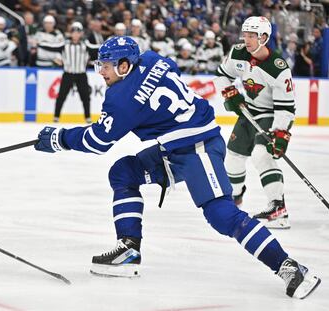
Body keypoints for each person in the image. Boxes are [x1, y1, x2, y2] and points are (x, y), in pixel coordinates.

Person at [34, 36, 320, 299]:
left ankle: (289, 267)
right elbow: (165, 80)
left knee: (221, 214)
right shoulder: (154, 59)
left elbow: (98, 140)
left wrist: (60, 139)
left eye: (106, 66)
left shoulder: (121, 99)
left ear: (124, 66)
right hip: (175, 147)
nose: (101, 72)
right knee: (123, 172)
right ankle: (129, 250)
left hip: (199, 146)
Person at [213, 16, 295, 229]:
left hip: (271, 113)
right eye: (245, 34)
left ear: (264, 37)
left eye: (252, 36)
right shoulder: (238, 52)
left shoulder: (278, 68)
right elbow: (222, 75)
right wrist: (229, 92)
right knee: (233, 157)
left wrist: (280, 133)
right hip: (248, 113)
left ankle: (278, 207)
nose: (246, 39)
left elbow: (286, 108)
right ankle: (235, 198)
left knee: (261, 154)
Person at [51, 22, 99, 123]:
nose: (76, 35)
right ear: (71, 33)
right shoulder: (65, 44)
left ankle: (87, 117)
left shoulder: (85, 44)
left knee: (85, 97)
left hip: (81, 74)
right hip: (68, 74)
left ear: (81, 33)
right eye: (74, 32)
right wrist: (39, 44)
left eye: (78, 32)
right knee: (61, 96)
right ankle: (56, 117)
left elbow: (96, 48)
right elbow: (51, 47)